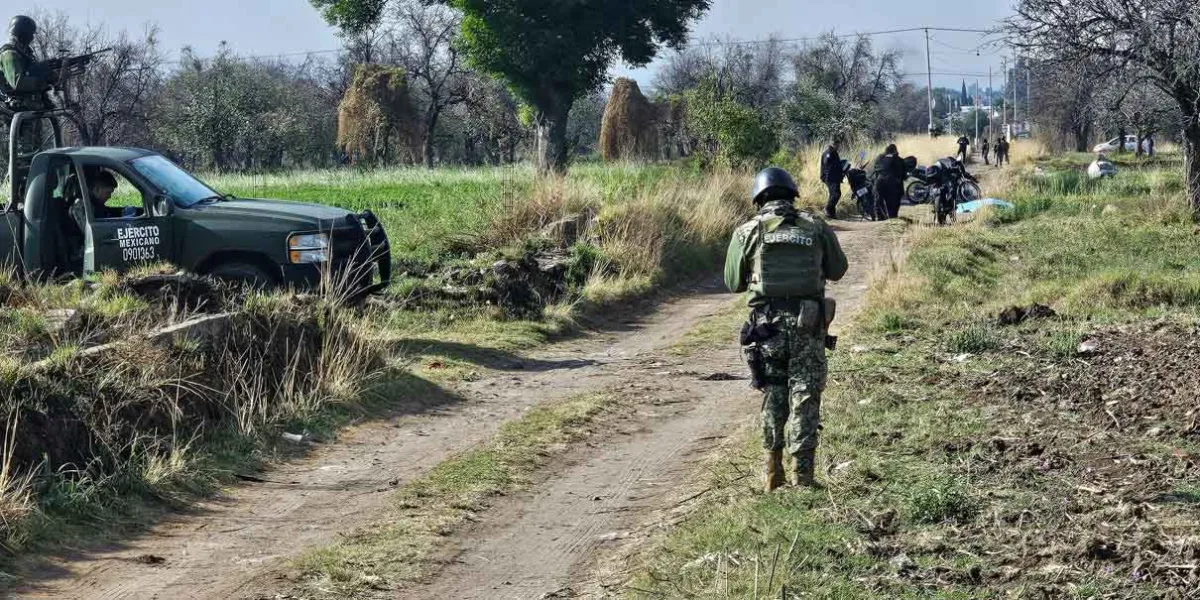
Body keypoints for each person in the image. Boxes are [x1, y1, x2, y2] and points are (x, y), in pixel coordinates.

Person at [725, 167, 848, 491]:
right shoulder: (815, 227)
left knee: (775, 394)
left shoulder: (747, 231)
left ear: (758, 199)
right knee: (805, 394)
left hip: (767, 329)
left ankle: (772, 472)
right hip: (808, 325)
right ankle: (803, 475)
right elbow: (838, 269)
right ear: (793, 196)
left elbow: (732, 282)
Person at [871, 144, 907, 219]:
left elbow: (875, 169)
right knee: (893, 203)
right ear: (895, 151)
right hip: (892, 183)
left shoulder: (879, 158)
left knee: (878, 201)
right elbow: (902, 174)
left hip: (879, 182)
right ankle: (892, 217)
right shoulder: (898, 159)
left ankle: (879, 217)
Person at [819, 140, 844, 219]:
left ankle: (832, 214)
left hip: (834, 177)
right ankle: (827, 208)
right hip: (830, 177)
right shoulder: (829, 152)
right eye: (837, 145)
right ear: (833, 144)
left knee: (832, 194)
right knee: (836, 194)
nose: (838, 147)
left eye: (839, 145)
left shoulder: (833, 152)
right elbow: (827, 165)